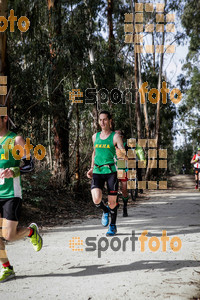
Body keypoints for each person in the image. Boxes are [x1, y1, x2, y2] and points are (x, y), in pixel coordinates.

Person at [0, 111, 43, 283]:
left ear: (4, 118)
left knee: (8, 235)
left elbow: (31, 165)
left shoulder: (15, 140)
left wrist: (14, 171)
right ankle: (7, 268)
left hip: (11, 194)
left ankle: (31, 232)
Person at [87, 111, 124, 236]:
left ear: (110, 121)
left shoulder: (115, 136)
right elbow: (94, 152)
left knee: (112, 201)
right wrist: (91, 168)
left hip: (111, 172)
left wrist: (122, 164)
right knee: (96, 199)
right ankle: (105, 210)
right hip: (97, 171)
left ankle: (112, 226)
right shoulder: (95, 136)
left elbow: (122, 154)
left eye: (105, 120)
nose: (102, 122)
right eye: (100, 120)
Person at [115, 130, 146, 217]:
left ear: (122, 137)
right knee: (113, 188)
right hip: (113, 169)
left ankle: (125, 207)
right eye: (115, 136)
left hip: (124, 168)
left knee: (124, 189)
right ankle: (115, 204)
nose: (116, 138)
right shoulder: (110, 145)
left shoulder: (126, 146)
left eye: (119, 136)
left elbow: (137, 154)